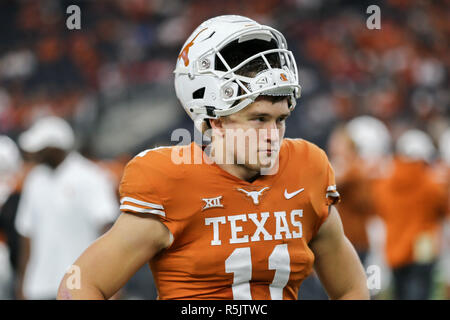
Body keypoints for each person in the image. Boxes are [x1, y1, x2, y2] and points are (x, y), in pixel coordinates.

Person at [57, 15, 369, 300]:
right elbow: (79, 285)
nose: (273, 134)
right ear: (214, 120)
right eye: (258, 119)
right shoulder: (172, 181)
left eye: (280, 118)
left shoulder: (306, 168)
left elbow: (351, 287)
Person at [15, 116, 118, 299]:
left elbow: (107, 232)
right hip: (39, 287)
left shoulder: (90, 176)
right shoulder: (34, 180)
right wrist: (23, 283)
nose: (35, 154)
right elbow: (27, 234)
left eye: (41, 149)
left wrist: (113, 282)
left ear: (56, 148)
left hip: (81, 285)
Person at [372, 129, 448, 300]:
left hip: (394, 249)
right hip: (423, 248)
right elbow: (445, 209)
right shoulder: (431, 184)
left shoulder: (384, 184)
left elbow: (380, 210)